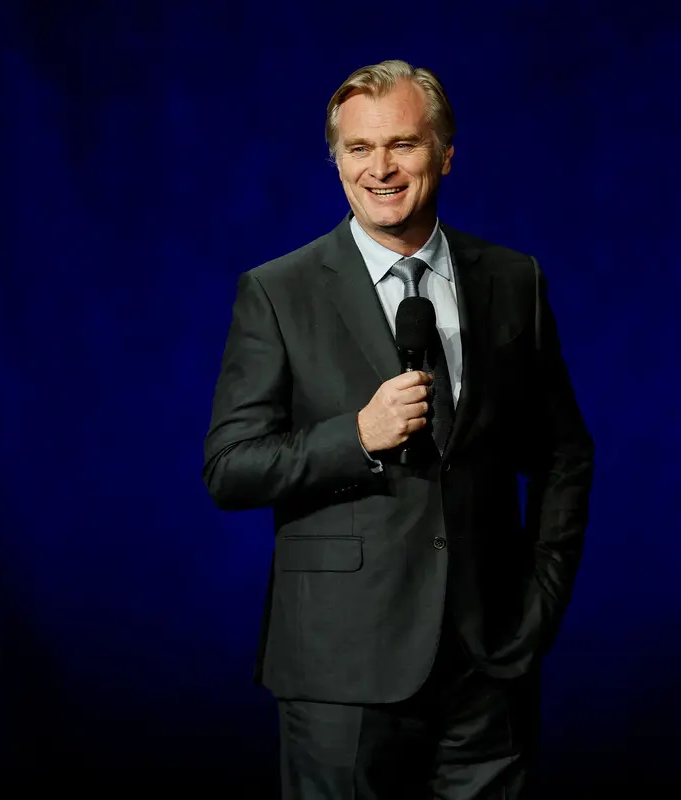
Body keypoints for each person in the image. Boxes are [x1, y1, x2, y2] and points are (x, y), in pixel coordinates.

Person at [203, 59, 594, 799]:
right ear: (337, 161)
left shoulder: (513, 279)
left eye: (402, 145)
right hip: (340, 668)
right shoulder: (279, 291)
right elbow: (230, 467)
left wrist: (540, 598)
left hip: (489, 663)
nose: (379, 168)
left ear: (444, 154)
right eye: (358, 148)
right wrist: (357, 435)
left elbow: (563, 453)